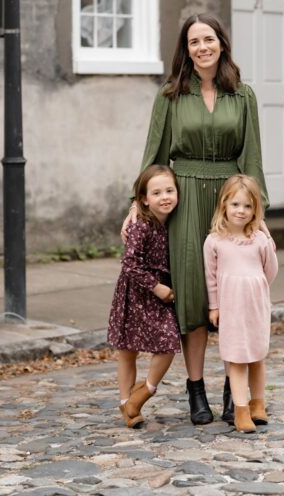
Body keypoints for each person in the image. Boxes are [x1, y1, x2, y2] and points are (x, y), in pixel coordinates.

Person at [123, 14, 270, 425]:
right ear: (185, 50)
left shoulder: (243, 96)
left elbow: (253, 157)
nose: (202, 47)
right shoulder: (170, 96)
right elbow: (154, 156)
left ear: (221, 43)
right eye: (193, 42)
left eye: (208, 39)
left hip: (230, 201)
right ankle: (196, 390)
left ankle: (233, 391)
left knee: (233, 299)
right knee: (192, 297)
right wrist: (137, 206)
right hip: (185, 200)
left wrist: (260, 214)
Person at [107, 165, 182, 428]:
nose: (165, 197)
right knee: (128, 351)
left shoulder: (175, 223)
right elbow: (129, 264)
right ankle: (127, 405)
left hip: (156, 295)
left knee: (168, 340)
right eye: (157, 192)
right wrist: (157, 287)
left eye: (170, 190)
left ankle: (145, 391)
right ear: (143, 199)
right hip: (136, 293)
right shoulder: (141, 225)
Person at [204, 174, 279, 433]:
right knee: (236, 358)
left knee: (257, 355)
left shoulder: (259, 240)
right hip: (231, 308)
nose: (241, 211)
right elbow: (210, 277)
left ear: (255, 209)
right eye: (235, 204)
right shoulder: (214, 241)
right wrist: (214, 306)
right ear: (224, 204)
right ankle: (241, 410)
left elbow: (271, 270)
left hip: (256, 305)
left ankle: (259, 404)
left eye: (247, 206)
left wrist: (255, 286)